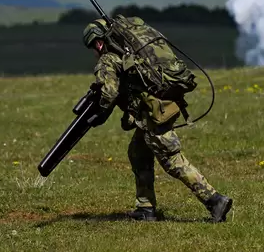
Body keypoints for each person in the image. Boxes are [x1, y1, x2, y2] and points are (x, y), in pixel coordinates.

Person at [82, 16, 233, 223]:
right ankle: (145, 208)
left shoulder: (109, 58)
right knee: (138, 152)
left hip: (152, 113)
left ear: (98, 42)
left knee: (171, 159)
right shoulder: (132, 51)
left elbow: (108, 93)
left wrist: (97, 112)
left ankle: (214, 200)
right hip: (161, 105)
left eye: (93, 47)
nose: (95, 51)